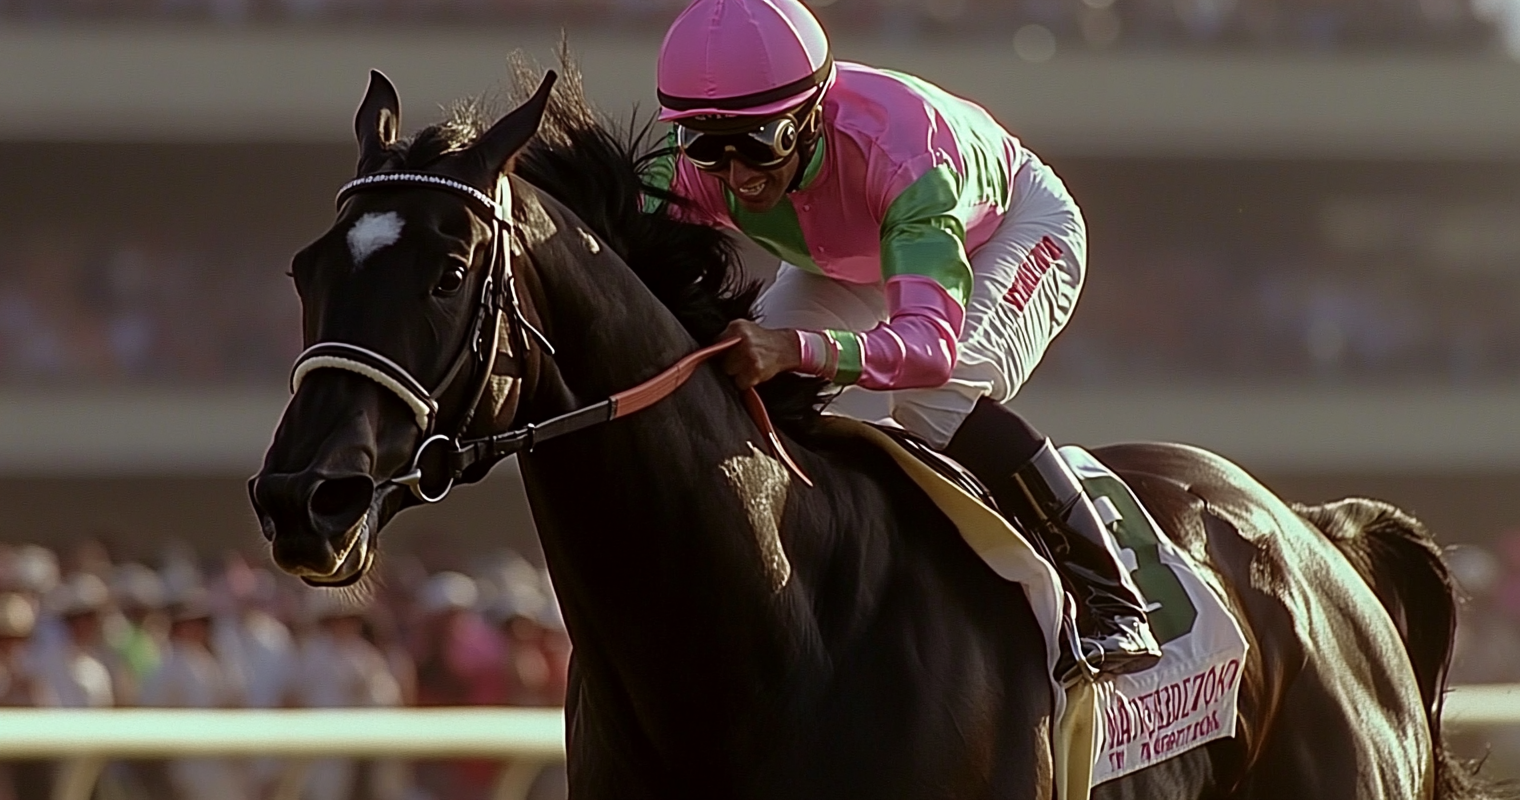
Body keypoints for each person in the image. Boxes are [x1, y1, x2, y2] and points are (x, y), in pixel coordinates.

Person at [644, 0, 1160, 681]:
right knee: (744, 381)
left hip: (1001, 232)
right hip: (851, 256)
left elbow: (926, 349)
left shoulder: (905, 156)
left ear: (809, 114)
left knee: (934, 398)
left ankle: (1112, 595)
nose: (736, 175)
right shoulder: (686, 171)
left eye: (758, 143)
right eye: (708, 146)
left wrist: (796, 348)